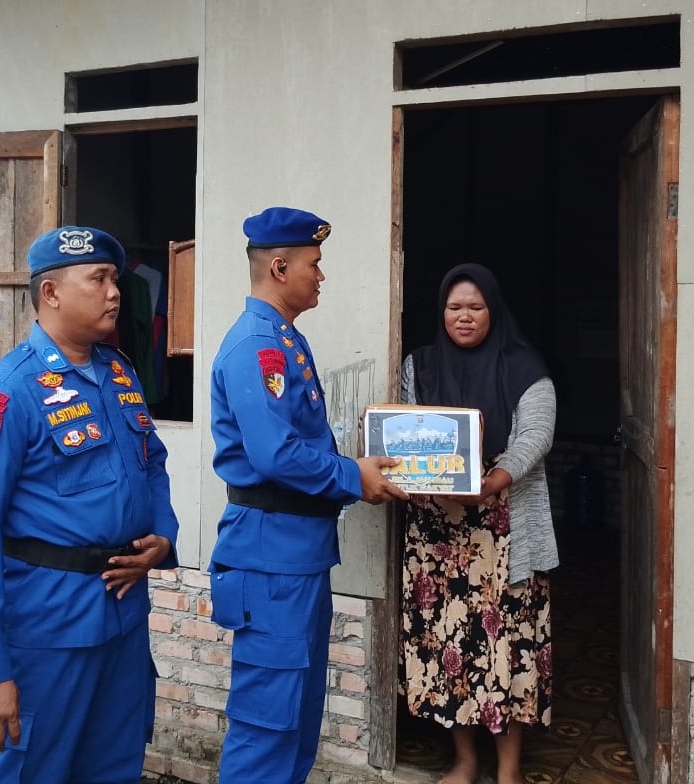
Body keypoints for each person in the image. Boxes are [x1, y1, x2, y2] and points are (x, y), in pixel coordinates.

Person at [0, 225, 179, 784]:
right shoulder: (7, 395)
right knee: (24, 771)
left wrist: (163, 535)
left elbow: (152, 461)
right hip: (46, 626)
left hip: (122, 619)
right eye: (98, 279)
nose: (115, 292)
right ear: (50, 293)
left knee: (112, 767)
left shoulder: (118, 372)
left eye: (114, 279)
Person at [209, 206, 410, 784]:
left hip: (296, 554)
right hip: (271, 560)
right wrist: (354, 476)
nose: (321, 276)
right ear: (278, 266)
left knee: (295, 721)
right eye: (313, 265)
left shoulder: (284, 339)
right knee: (267, 725)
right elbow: (275, 455)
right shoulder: (257, 346)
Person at [399, 263, 556, 784]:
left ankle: (508, 768)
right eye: (453, 307)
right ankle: (465, 759)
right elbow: (406, 428)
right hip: (439, 537)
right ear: (440, 311)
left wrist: (490, 482)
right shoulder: (419, 366)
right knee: (450, 648)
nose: (463, 317)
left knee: (505, 651)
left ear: (494, 309)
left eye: (475, 307)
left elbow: (535, 436)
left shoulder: (524, 366)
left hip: (505, 529)